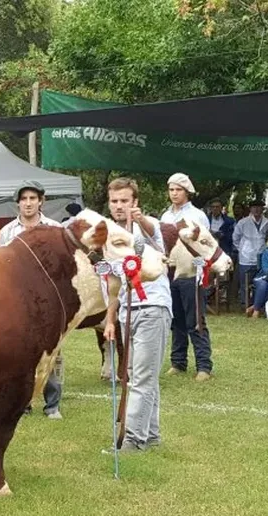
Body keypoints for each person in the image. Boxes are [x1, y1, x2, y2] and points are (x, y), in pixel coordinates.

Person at [103, 177, 171, 452]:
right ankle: (151, 434)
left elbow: (156, 231)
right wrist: (109, 318)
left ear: (135, 203)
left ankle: (132, 439)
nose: (119, 206)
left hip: (152, 307)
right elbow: (114, 283)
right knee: (138, 373)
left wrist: (140, 219)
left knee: (140, 377)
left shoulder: (147, 227)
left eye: (125, 201)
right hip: (126, 311)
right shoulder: (109, 237)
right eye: (115, 201)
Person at [0, 180, 65, 419]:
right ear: (17, 203)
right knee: (19, 353)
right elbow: (0, 267)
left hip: (49, 300)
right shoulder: (7, 232)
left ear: (41, 201)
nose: (28, 203)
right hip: (17, 300)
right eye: (24, 199)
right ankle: (22, 403)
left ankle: (53, 405)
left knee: (52, 352)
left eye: (32, 198)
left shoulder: (55, 229)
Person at [159, 173, 213, 382]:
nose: (174, 193)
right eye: (171, 189)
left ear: (186, 191)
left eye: (178, 189)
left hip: (192, 273)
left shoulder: (197, 215)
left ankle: (204, 366)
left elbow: (206, 243)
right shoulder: (165, 216)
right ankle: (178, 362)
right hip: (171, 273)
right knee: (176, 319)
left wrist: (202, 268)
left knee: (195, 319)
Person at [232, 198, 268, 309]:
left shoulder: (266, 222)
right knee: (245, 282)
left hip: (261, 254)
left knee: (259, 279)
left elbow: (266, 236)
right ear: (250, 209)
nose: (257, 210)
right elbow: (235, 238)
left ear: (262, 209)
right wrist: (243, 249)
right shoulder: (243, 222)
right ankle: (245, 303)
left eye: (259, 207)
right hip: (246, 256)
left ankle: (256, 303)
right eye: (254, 207)